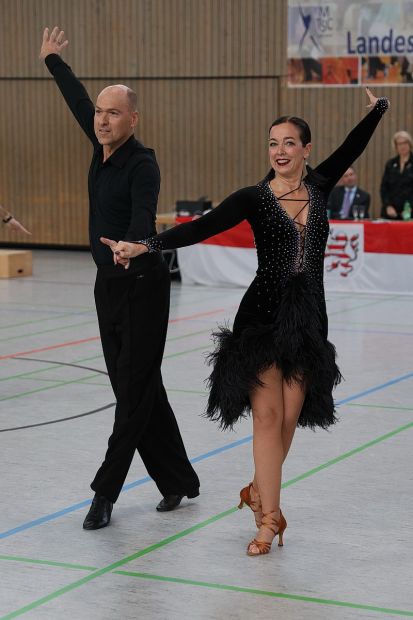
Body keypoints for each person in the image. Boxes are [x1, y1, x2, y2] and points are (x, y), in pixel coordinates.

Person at [101, 89, 389, 556]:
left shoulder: (320, 186)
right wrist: (144, 246)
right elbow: (200, 227)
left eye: (289, 142)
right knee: (267, 418)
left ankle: (257, 490)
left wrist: (378, 110)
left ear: (306, 149)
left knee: (290, 417)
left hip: (308, 319)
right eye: (273, 142)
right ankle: (269, 520)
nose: (279, 150)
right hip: (260, 318)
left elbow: (353, 146)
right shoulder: (253, 198)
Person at [39, 27, 199, 530]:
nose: (102, 119)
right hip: (107, 287)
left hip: (142, 288)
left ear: (134, 119)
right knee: (140, 387)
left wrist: (134, 245)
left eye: (114, 113)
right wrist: (53, 62)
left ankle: (104, 493)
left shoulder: (142, 165)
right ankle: (178, 480)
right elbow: (77, 100)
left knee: (131, 396)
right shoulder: (100, 145)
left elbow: (142, 220)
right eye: (100, 113)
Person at [380, 130, 413, 219]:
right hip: (391, 212)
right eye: (399, 144)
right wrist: (388, 206)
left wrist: (410, 208)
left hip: (409, 211)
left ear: (410, 144)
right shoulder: (390, 164)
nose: (402, 146)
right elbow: (384, 188)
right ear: (396, 147)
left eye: (405, 143)